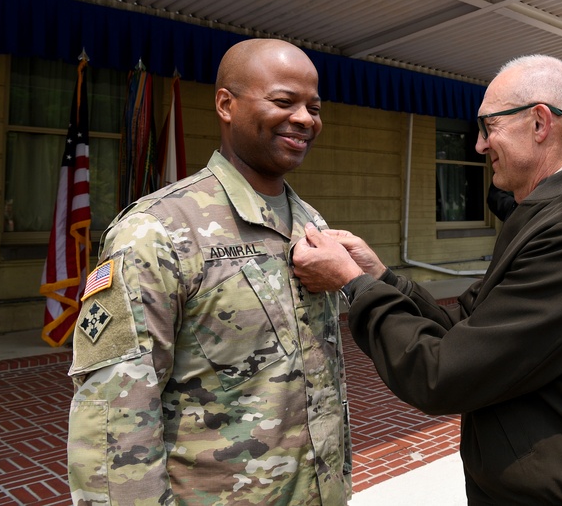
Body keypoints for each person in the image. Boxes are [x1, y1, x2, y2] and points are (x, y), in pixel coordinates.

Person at [293, 54, 562, 506]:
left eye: (488, 127)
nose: (480, 146)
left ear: (539, 123)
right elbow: (469, 326)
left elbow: (443, 373)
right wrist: (379, 276)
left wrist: (353, 286)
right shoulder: (545, 212)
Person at [67, 39, 351, 505]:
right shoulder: (155, 231)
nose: (305, 119)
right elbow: (113, 422)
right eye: (284, 101)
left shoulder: (310, 223)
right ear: (226, 104)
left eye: (314, 106)